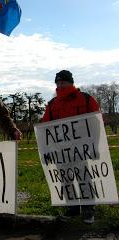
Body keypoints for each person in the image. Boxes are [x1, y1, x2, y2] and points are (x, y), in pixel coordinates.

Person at [42, 70, 100, 224]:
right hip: (61, 150)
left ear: (71, 83)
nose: (60, 85)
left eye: (63, 82)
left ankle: (88, 210)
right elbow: (45, 128)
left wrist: (95, 145)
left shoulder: (87, 99)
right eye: (57, 83)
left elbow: (96, 124)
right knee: (65, 179)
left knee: (84, 178)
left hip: (82, 149)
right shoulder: (52, 104)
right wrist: (46, 150)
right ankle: (72, 208)